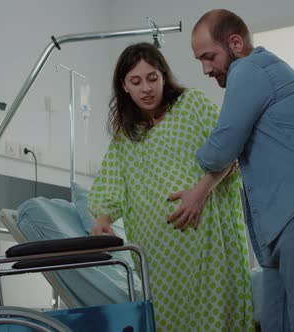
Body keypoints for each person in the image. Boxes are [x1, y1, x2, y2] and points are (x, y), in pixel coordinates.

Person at [191, 9, 294, 332]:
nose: (205, 69)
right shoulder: (262, 73)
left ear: (236, 43)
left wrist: (191, 154)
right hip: (286, 220)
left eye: (209, 57)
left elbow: (222, 148)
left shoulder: (250, 69)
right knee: (275, 322)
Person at [87, 42, 253, 332]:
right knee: (170, 322)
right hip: (159, 257)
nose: (146, 88)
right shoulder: (128, 135)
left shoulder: (193, 105)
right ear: (124, 87)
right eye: (135, 81)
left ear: (164, 76)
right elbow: (110, 182)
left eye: (152, 78)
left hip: (208, 242)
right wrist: (102, 219)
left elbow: (231, 152)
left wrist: (199, 194)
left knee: (214, 320)